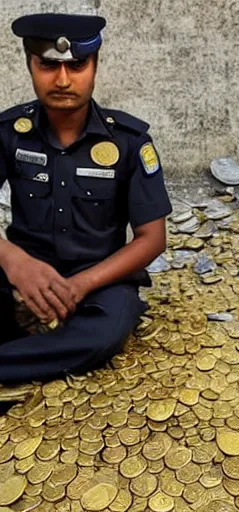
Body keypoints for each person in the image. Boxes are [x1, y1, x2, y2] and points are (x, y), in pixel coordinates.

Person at [0, 13, 172, 386]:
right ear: (30, 64)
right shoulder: (10, 134)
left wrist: (80, 285)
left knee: (104, 335)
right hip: (22, 272)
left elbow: (152, 238)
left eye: (77, 65)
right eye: (48, 65)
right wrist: (13, 260)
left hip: (101, 279)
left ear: (94, 65)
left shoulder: (128, 141)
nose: (62, 80)